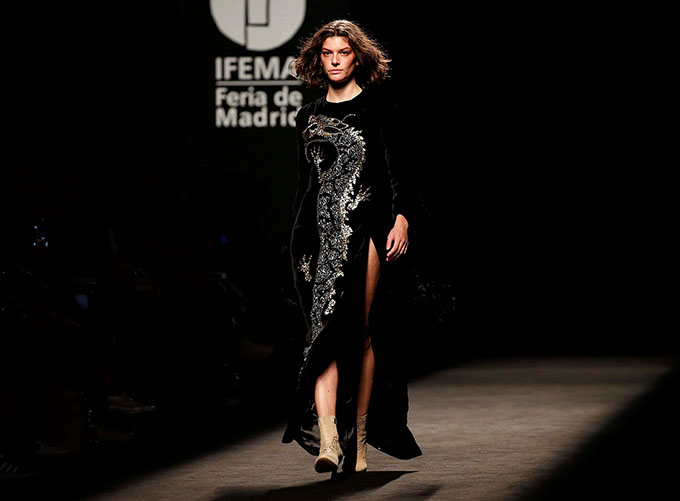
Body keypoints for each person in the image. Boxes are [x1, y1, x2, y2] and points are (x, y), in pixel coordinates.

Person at [281, 19, 422, 476]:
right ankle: (329, 442)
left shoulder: (381, 108)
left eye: (343, 52)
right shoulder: (308, 115)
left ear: (357, 57)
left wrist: (402, 218)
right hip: (314, 233)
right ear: (318, 59)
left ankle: (357, 440)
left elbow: (399, 170)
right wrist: (295, 239)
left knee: (360, 332)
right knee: (320, 332)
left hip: (367, 226)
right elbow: (305, 183)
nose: (335, 60)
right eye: (328, 53)